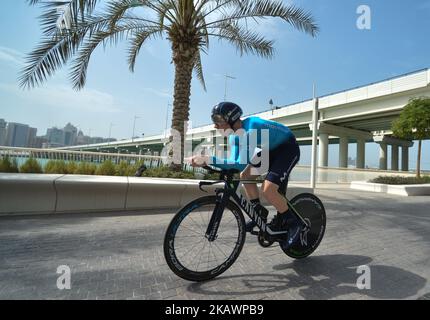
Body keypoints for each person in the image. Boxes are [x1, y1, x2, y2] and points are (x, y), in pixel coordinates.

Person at [189, 101, 303, 249]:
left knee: (268, 189)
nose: (215, 125)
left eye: (218, 120)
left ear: (231, 119)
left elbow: (240, 163)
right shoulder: (233, 136)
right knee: (245, 176)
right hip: (271, 150)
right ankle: (259, 212)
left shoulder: (251, 128)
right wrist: (208, 163)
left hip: (288, 148)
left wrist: (209, 159)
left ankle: (294, 223)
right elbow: (234, 162)